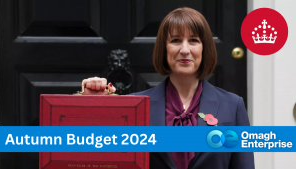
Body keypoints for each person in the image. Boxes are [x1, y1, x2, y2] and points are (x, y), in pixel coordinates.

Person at [82, 7, 254, 169]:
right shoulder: (135, 106)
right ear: (164, 49)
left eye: (193, 40)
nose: (184, 49)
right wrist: (92, 108)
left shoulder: (232, 106)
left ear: (205, 49)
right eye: (176, 40)